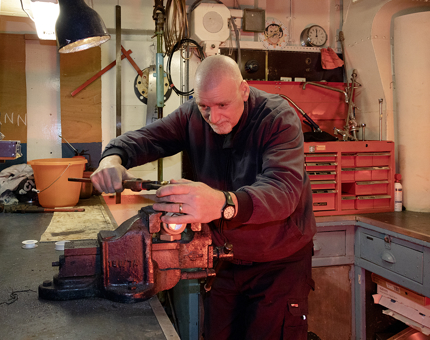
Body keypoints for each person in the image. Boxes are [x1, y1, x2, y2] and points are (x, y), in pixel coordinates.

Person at [91, 55, 317, 340]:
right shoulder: (192, 116)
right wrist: (112, 158)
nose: (214, 117)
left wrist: (225, 204)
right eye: (205, 107)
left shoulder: (276, 118)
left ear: (244, 90)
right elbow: (149, 138)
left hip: (278, 263)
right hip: (224, 259)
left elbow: (283, 191)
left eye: (223, 105)